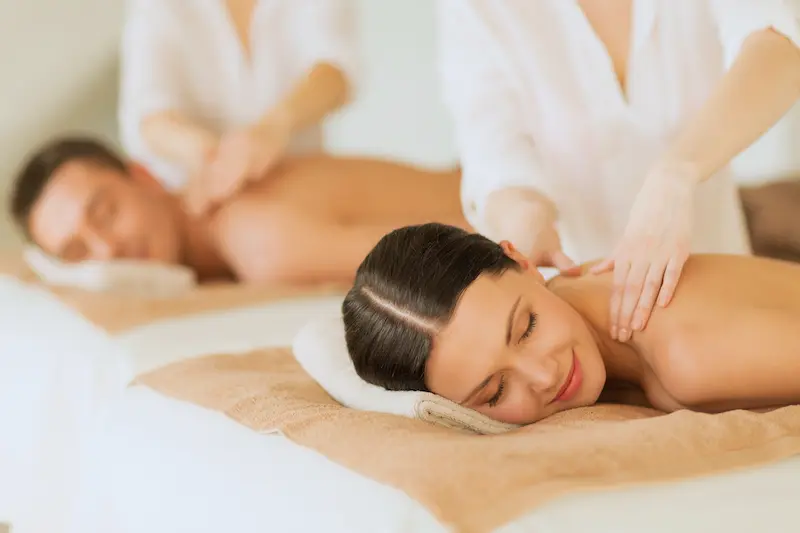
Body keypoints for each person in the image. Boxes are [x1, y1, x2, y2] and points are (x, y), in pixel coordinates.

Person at [437, 0, 800, 343]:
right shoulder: (476, 9)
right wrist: (525, 224)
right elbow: (496, 156)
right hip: (588, 329)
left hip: (727, 288)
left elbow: (780, 42)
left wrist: (676, 175)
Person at [342, 223, 800, 425]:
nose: (545, 376)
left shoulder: (688, 358)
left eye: (527, 328)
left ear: (523, 260)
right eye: (495, 392)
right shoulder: (572, 288)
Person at [8, 137, 467, 284]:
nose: (107, 250)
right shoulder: (219, 255)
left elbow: (462, 250)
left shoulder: (257, 241)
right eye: (78, 252)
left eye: (106, 212)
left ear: (144, 176)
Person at [119, 0, 357, 213]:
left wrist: (272, 129)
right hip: (207, 207)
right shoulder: (155, 6)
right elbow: (149, 113)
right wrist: (203, 153)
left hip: (303, 189)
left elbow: (336, 71)